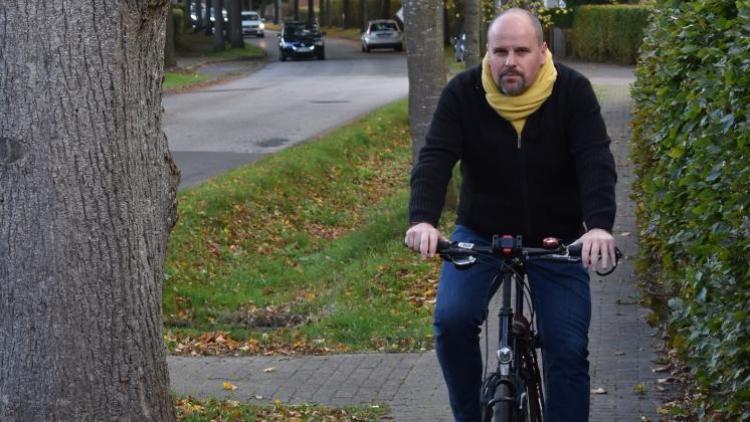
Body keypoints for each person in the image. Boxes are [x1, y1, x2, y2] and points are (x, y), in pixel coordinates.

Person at [404, 8, 618, 422]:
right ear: (487, 52)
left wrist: (599, 228)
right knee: (451, 323)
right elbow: (434, 159)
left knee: (567, 346)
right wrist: (423, 220)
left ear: (542, 51)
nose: (510, 61)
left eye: (521, 50)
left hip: (557, 238)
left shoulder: (573, 92)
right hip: (481, 231)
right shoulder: (462, 93)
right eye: (500, 51)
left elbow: (594, 159)